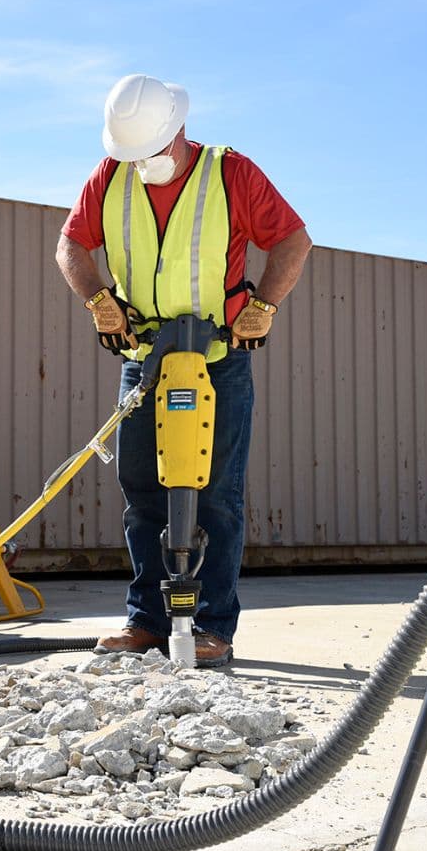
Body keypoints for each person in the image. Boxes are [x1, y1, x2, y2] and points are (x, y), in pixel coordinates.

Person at [55, 74, 313, 668]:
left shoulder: (230, 172)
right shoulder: (110, 174)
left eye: (152, 152)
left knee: (216, 496)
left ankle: (213, 627)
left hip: (217, 363)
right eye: (132, 155)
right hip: (144, 363)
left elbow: (293, 241)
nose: (141, 164)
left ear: (179, 131)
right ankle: (147, 621)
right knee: (142, 491)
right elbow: (70, 245)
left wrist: (263, 307)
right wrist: (98, 299)